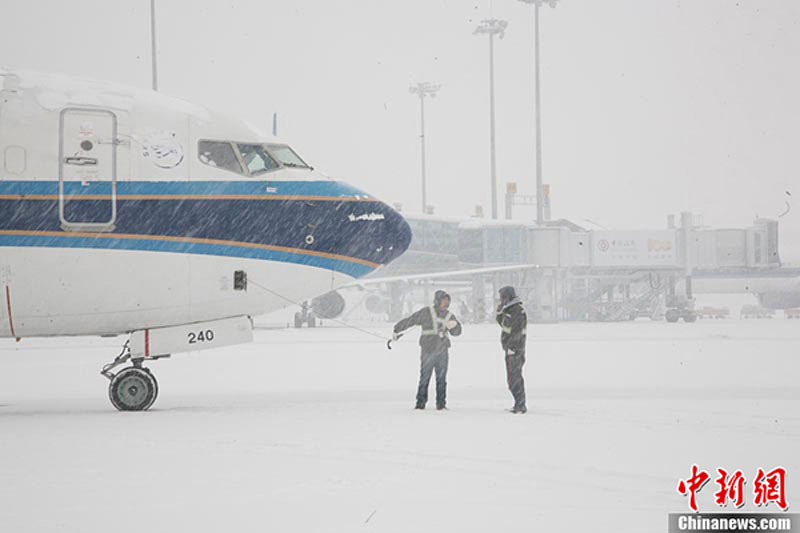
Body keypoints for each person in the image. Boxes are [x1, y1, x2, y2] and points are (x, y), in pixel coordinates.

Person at [393, 290, 462, 410]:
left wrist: (455, 327)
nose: (446, 303)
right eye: (444, 301)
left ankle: (441, 404)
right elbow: (411, 320)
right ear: (437, 301)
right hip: (428, 351)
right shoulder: (426, 312)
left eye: (448, 301)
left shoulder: (449, 316)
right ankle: (420, 404)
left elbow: (457, 332)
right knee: (425, 377)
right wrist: (397, 328)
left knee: (441, 378)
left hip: (442, 352)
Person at [496, 286, 528, 414]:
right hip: (511, 349)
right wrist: (499, 312)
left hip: (514, 349)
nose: (500, 300)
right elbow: (505, 326)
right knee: (512, 378)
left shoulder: (516, 310)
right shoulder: (510, 310)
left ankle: (520, 405)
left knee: (514, 378)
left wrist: (512, 348)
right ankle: (518, 404)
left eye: (502, 297)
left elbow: (514, 332)